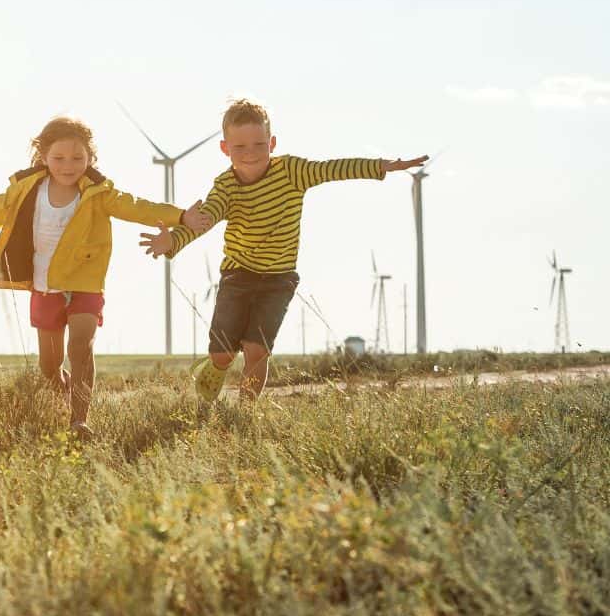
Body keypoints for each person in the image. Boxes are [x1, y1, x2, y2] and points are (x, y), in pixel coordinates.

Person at [0, 115, 211, 438]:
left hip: (85, 285)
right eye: (59, 158)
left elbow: (138, 207)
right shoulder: (25, 191)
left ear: (90, 158)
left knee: (80, 348)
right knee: (49, 368)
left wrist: (181, 216)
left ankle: (80, 419)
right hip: (45, 287)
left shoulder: (99, 194)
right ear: (44, 158)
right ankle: (65, 394)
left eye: (78, 158)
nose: (69, 165)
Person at [140, 99, 427, 402]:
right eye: (240, 147)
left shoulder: (292, 171)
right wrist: (172, 240)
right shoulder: (225, 186)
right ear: (225, 149)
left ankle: (247, 409)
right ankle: (215, 367)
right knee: (223, 353)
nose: (250, 153)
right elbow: (205, 219)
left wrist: (381, 167)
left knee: (257, 349)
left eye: (258, 144)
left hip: (279, 279)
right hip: (237, 275)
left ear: (272, 143)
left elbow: (333, 170)